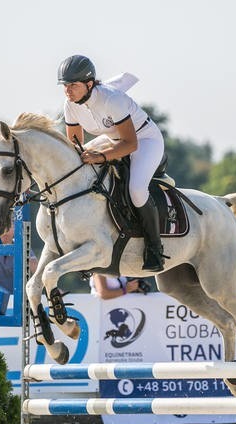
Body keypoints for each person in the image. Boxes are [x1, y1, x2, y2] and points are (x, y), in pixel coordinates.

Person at [58, 54, 166, 272]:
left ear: (89, 84)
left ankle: (155, 248)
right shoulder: (70, 105)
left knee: (136, 190)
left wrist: (100, 157)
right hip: (112, 139)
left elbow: (130, 144)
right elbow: (76, 145)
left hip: (144, 139)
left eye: (73, 85)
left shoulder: (111, 99)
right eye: (65, 85)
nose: (68, 91)